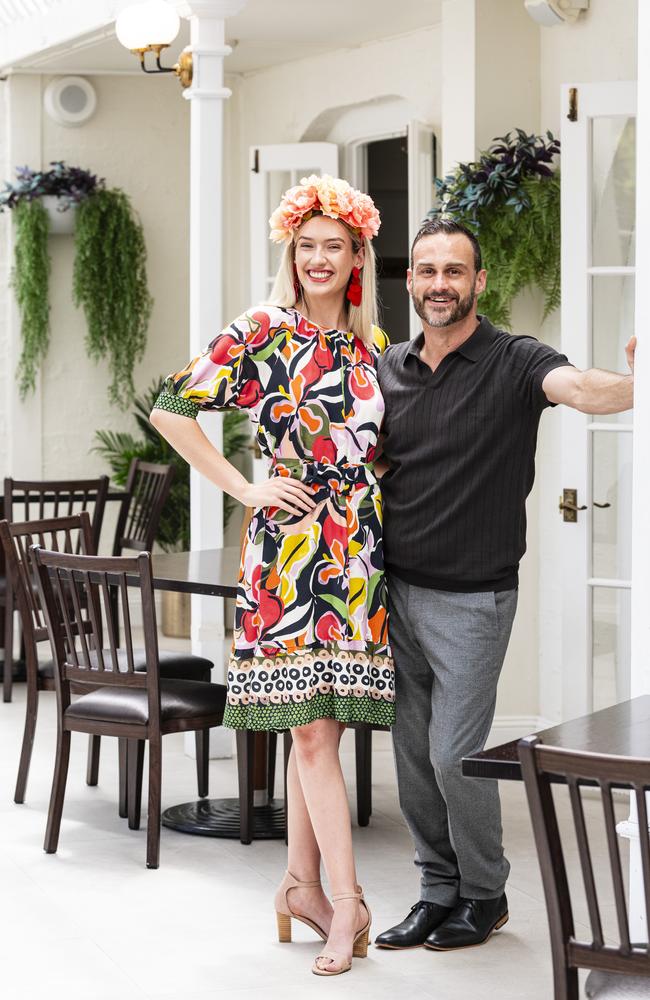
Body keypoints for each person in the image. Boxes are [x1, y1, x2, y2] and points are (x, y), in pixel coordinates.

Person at [150, 175, 394, 977]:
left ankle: (298, 884)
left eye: (334, 246)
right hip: (288, 556)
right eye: (306, 246)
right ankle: (348, 903)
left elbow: (377, 446)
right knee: (313, 733)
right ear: (290, 255)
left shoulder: (372, 347)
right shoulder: (264, 329)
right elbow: (170, 408)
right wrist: (245, 486)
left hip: (356, 553)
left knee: (317, 726)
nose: (318, 259)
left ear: (358, 255)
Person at [374, 217, 635, 953]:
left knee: (456, 752)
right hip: (394, 591)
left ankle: (485, 894)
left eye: (454, 271)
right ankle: (436, 889)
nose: (439, 285)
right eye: (426, 271)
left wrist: (638, 383)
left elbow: (582, 388)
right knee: (413, 753)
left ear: (479, 282)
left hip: (472, 597)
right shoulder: (389, 368)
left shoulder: (516, 360)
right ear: (411, 281)